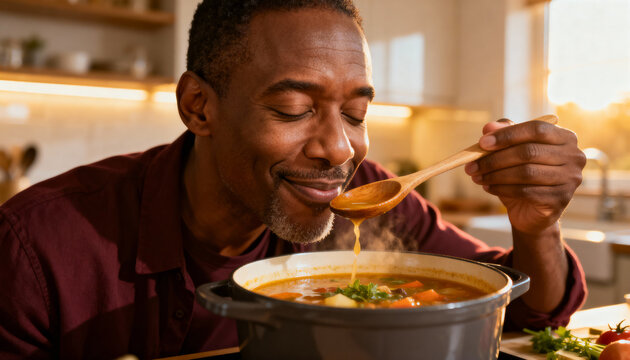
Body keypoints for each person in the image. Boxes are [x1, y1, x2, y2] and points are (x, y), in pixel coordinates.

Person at [0, 0, 587, 359]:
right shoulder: (39, 246)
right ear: (199, 106)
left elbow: (528, 313)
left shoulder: (374, 201)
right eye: (292, 110)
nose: (339, 147)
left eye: (357, 114)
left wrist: (538, 226)